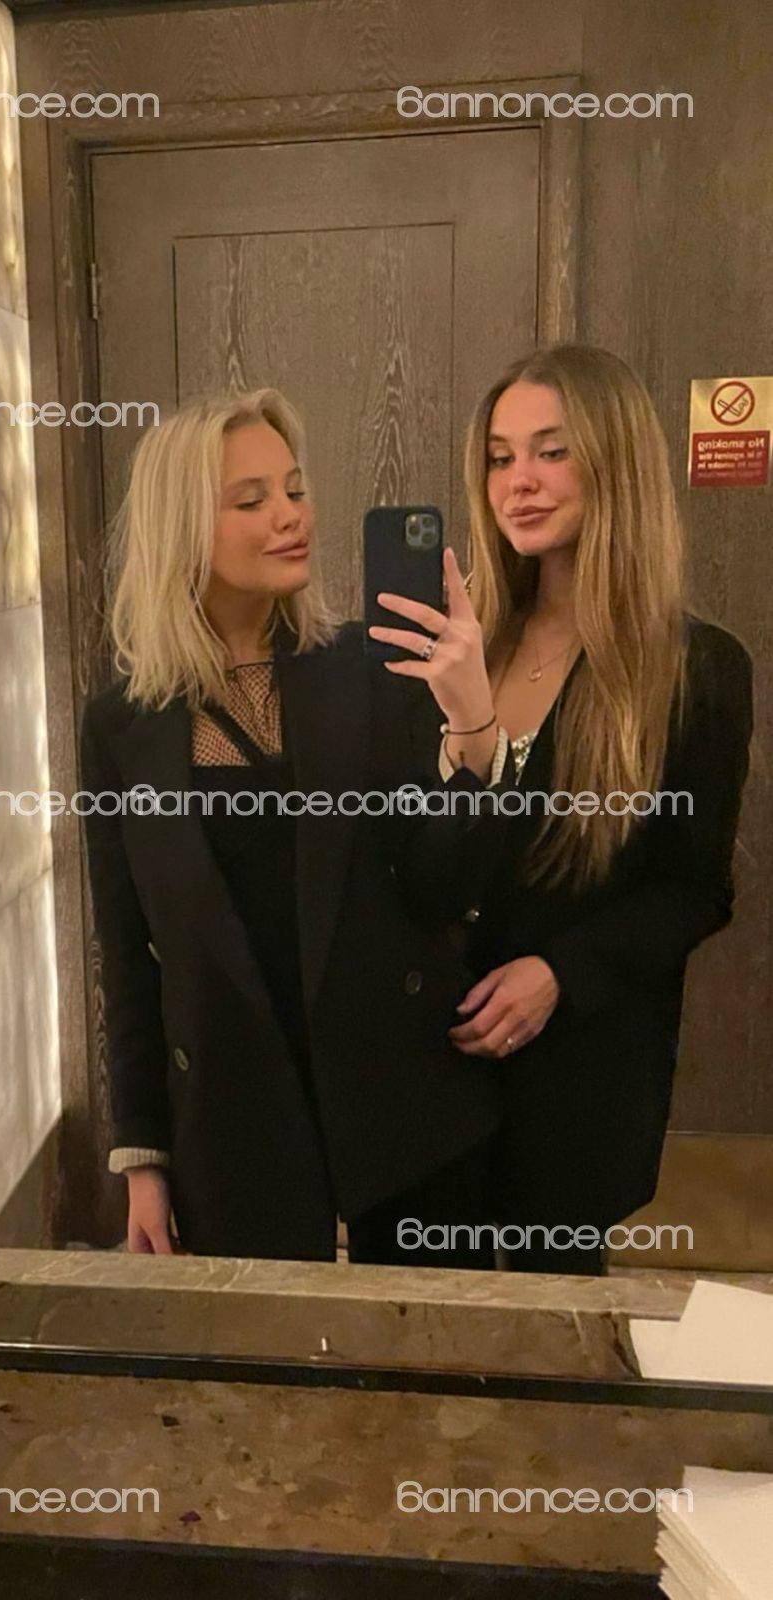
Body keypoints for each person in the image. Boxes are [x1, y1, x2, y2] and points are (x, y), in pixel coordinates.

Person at [79, 387, 512, 1262]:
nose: (291, 516)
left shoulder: (367, 672)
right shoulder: (122, 726)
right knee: (269, 1348)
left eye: (295, 489)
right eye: (251, 500)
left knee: (429, 1342)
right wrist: (143, 1160)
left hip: (403, 1112)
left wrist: (472, 728)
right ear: (180, 529)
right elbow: (127, 958)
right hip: (232, 1130)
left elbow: (440, 888)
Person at [439, 344, 753, 1274]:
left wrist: (560, 974)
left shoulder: (694, 670)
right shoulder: (459, 646)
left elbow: (695, 890)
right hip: (427, 1072)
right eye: (500, 457)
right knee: (418, 1329)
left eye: (553, 451)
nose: (519, 482)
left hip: (575, 1079)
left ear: (615, 462)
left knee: (553, 1333)